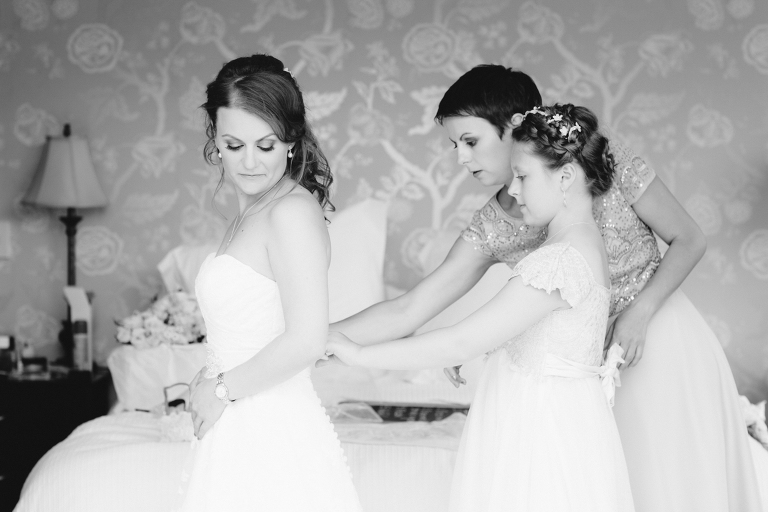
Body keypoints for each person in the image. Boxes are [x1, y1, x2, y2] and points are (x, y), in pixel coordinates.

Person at [330, 65, 763, 511]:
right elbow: (410, 308)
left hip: (656, 337)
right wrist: (321, 335)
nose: (460, 157)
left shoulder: (599, 163)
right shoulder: (494, 225)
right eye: (454, 144)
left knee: (669, 485)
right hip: (579, 368)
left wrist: (641, 311)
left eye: (470, 141)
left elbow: (689, 238)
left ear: (515, 128)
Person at [328, 103, 634, 511]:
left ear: (565, 177)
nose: (513, 190)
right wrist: (499, 347)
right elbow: (545, 337)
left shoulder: (560, 260)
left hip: (541, 430)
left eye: (523, 177)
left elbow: (459, 340)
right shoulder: (581, 246)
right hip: (556, 416)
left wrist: (356, 352)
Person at [176, 54, 361, 512]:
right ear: (215, 142)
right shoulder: (252, 212)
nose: (251, 163)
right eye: (234, 145)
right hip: (238, 417)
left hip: (270, 426)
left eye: (267, 144)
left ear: (292, 142)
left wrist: (219, 389)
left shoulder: (290, 212)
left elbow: (306, 339)